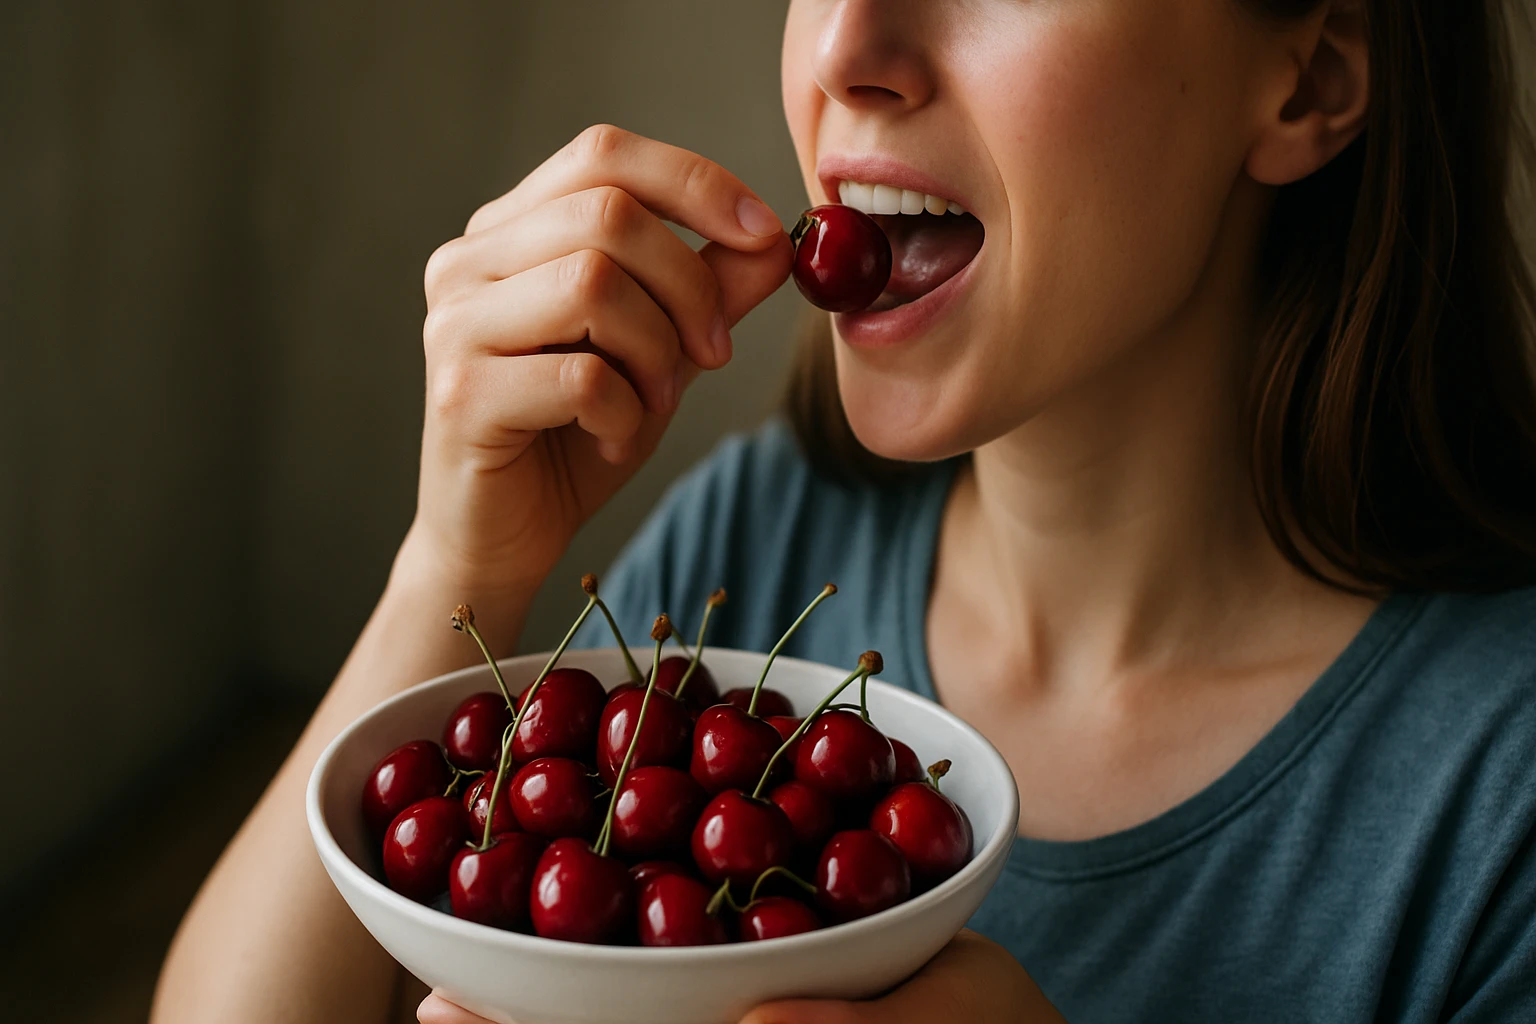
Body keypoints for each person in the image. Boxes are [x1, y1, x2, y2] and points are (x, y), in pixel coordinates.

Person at [152, 0, 1536, 1021]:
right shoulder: (756, 543)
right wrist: (456, 563)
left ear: (1311, 79)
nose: (843, 49)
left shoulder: (1498, 805)